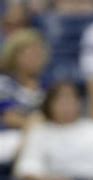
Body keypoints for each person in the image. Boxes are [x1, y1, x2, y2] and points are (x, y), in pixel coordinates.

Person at [0, 28, 48, 168]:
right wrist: (36, 123)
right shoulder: (4, 83)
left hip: (41, 135)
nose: (35, 58)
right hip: (9, 136)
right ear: (14, 56)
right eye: (29, 54)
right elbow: (9, 118)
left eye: (38, 54)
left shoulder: (47, 86)